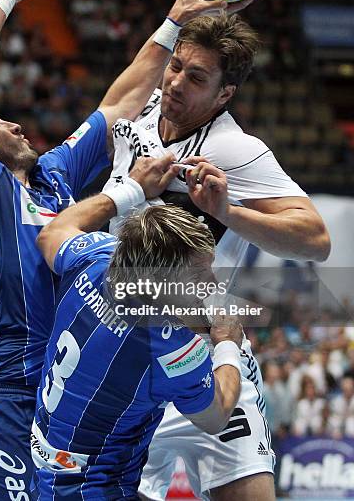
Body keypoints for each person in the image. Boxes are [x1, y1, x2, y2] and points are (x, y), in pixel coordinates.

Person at [0, 0, 249, 499]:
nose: (8, 118)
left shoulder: (52, 176)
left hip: (45, 402)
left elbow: (120, 104)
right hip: (0, 399)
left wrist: (176, 19)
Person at [102, 14, 331, 500]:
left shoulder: (235, 149)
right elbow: (110, 106)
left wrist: (230, 211)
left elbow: (315, 239)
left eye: (197, 77)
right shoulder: (141, 109)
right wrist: (176, 14)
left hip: (210, 356)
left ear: (225, 94)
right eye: (177, 67)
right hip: (131, 359)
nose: (176, 83)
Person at [32, 154, 244, 499]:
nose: (210, 282)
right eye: (198, 274)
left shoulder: (98, 259)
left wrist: (130, 188)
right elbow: (216, 415)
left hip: (44, 476)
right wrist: (226, 345)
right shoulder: (171, 348)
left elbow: (52, 234)